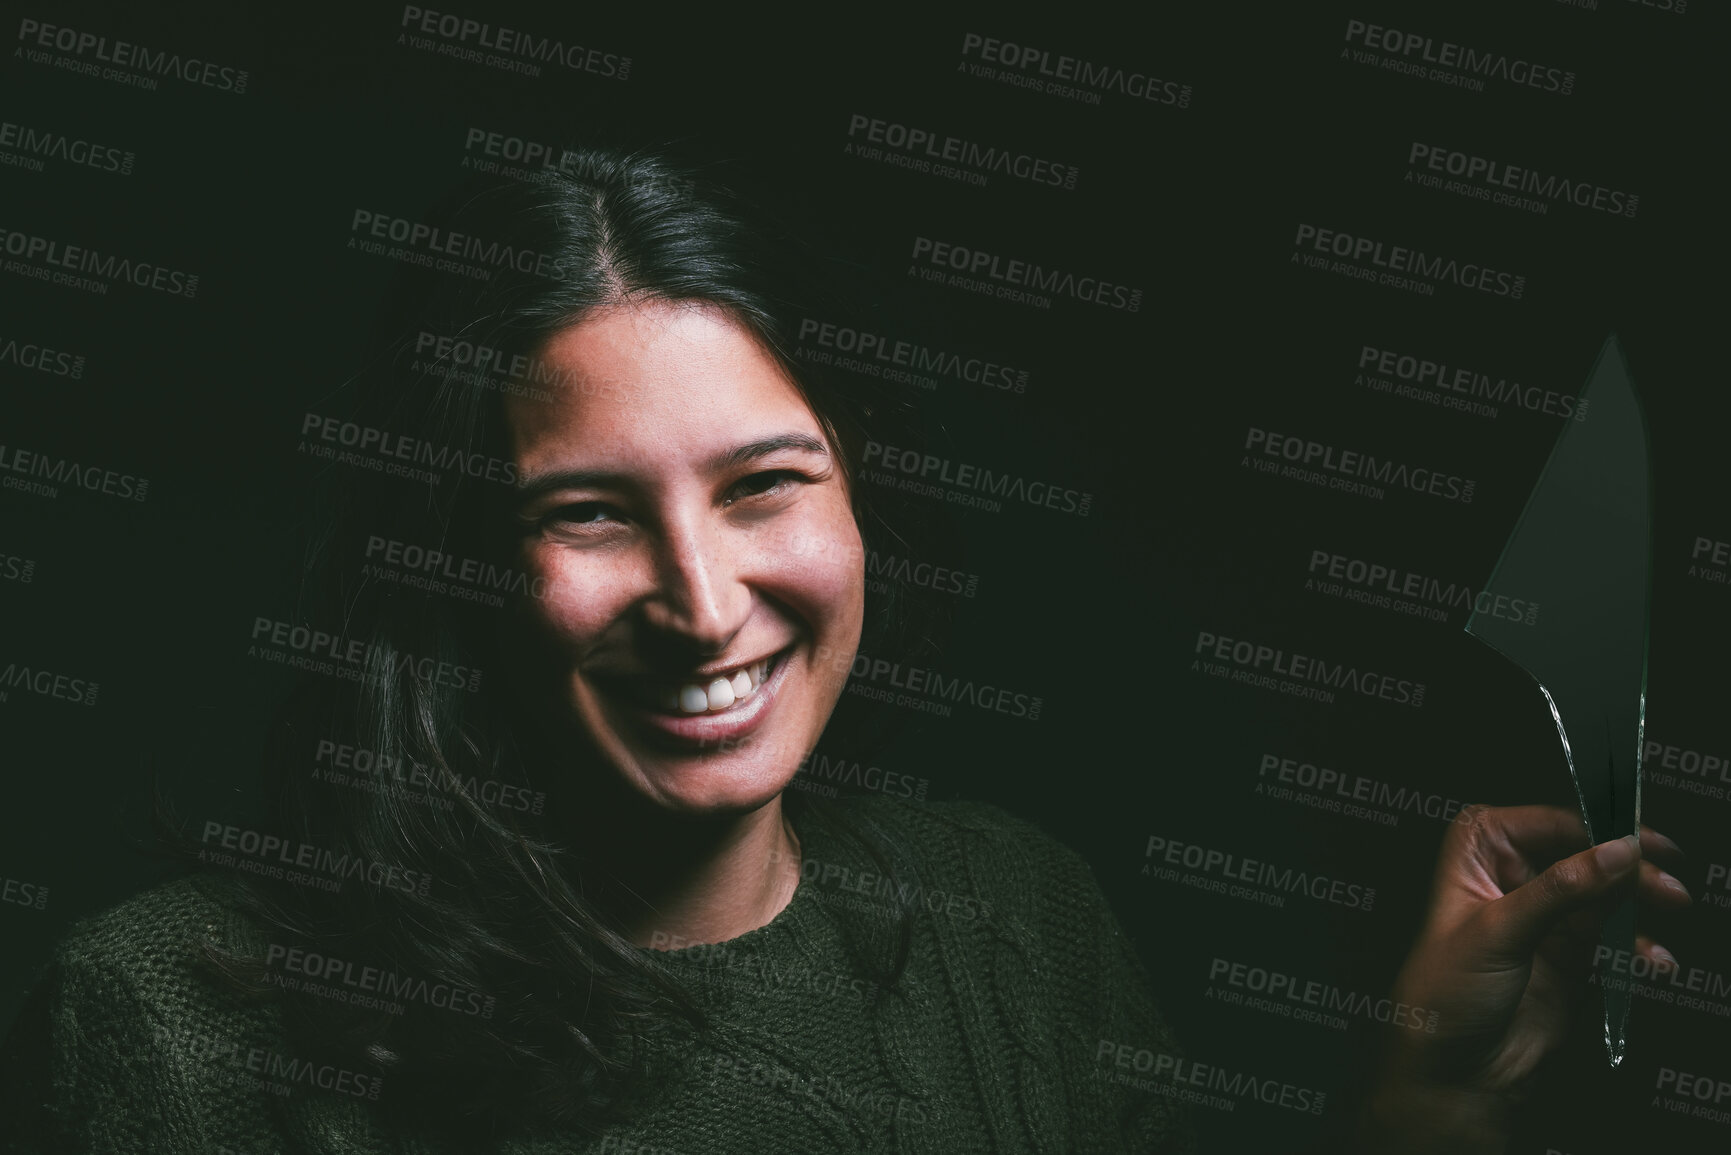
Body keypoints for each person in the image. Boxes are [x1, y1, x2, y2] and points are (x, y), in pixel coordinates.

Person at [0, 148, 1691, 1154]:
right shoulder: (182, 1015)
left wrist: (1413, 1113)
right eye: (587, 512)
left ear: (859, 496)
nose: (705, 599)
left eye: (765, 488)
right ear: (457, 556)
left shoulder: (1017, 926)